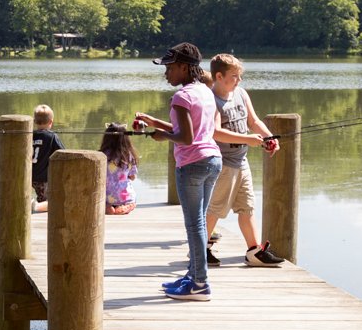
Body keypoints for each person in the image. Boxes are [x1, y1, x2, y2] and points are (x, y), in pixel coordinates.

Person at [134, 42, 222, 301]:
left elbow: (185, 137)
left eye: (170, 68)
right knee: (200, 223)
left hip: (192, 164)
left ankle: (199, 284)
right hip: (212, 160)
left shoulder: (181, 97)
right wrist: (156, 123)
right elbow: (191, 129)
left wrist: (162, 136)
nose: (166, 74)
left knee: (194, 225)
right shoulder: (205, 91)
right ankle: (192, 275)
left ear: (184, 67)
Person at [205, 53, 286, 267]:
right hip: (223, 164)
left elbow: (254, 121)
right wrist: (248, 139)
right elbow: (216, 132)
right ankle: (200, 249)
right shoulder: (211, 100)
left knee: (247, 207)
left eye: (240, 76)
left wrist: (269, 137)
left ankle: (254, 251)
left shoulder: (240, 93)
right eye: (234, 76)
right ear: (219, 76)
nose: (239, 80)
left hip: (242, 162)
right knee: (215, 209)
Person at [31, 104, 64, 213]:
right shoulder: (52, 137)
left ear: (34, 121)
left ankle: (35, 204)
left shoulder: (29, 135)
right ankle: (36, 207)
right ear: (51, 122)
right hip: (44, 178)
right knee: (53, 201)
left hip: (30, 176)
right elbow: (63, 153)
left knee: (42, 196)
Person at [101, 123, 138, 215]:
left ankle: (108, 207)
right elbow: (133, 177)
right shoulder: (129, 155)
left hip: (106, 197)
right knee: (132, 201)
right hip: (124, 196)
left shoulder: (102, 154)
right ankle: (126, 206)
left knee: (102, 200)